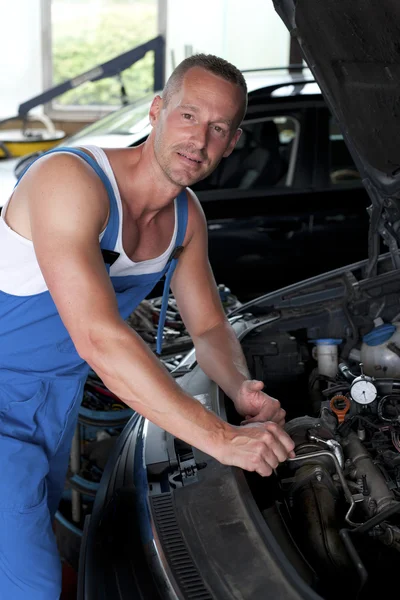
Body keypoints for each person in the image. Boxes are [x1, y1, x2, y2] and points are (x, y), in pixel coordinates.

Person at [0, 53, 295, 598]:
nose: (199, 139)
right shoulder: (71, 180)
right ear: (157, 111)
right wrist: (223, 439)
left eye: (219, 128)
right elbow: (98, 337)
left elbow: (208, 327)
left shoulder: (186, 218)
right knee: (32, 586)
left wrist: (241, 390)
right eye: (188, 116)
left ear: (232, 143)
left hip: (52, 404)